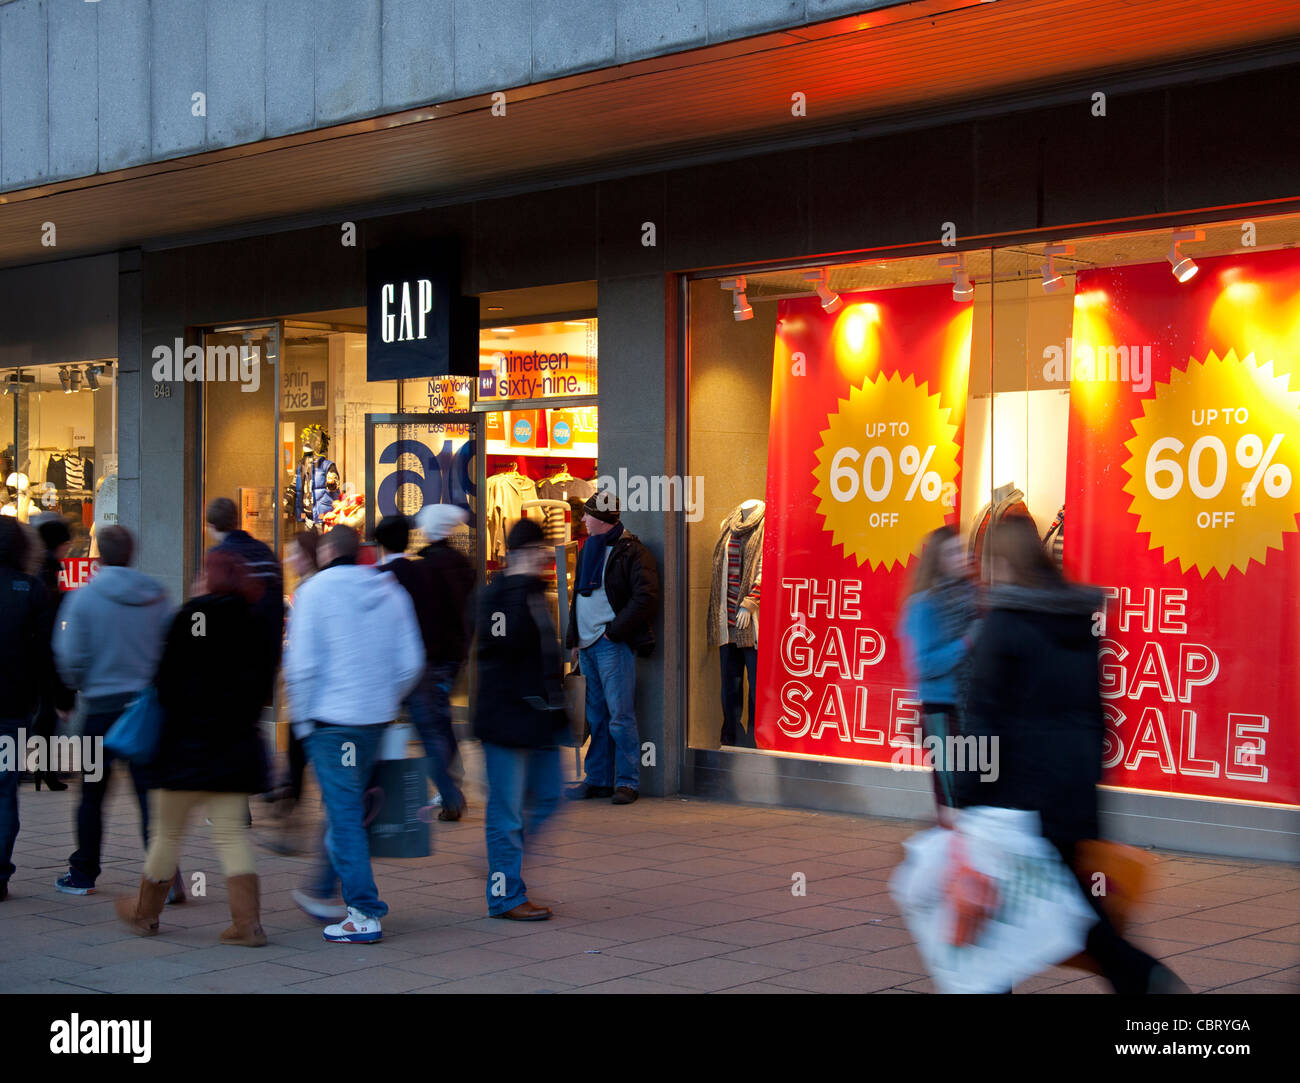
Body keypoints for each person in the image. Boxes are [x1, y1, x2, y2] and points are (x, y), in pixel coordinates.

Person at [959, 515, 1187, 994]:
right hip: (1073, 790)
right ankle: (1143, 977)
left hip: (1015, 797)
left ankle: (1140, 975)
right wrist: (1090, 782)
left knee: (994, 918)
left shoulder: (1003, 623)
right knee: (1074, 907)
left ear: (1000, 563)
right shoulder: (1080, 620)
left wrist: (968, 802)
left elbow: (984, 721)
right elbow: (1098, 709)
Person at [115, 550, 276, 943]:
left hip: (183, 749)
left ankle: (144, 914)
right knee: (231, 836)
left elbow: (164, 684)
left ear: (210, 578)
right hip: (234, 749)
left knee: (167, 834)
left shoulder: (189, 618)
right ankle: (247, 924)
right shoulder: (254, 621)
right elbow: (262, 690)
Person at [283, 525, 423, 943]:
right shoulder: (389, 590)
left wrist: (305, 721)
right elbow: (411, 661)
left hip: (333, 722)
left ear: (326, 552)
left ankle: (363, 911)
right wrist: (385, 697)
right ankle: (328, 891)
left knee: (344, 815)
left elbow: (302, 666)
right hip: (374, 720)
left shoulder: (314, 592)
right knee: (347, 809)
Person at [52, 525, 173, 897]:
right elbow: (173, 648)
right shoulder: (157, 596)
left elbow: (68, 654)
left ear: (99, 554)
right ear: (132, 552)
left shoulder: (84, 598)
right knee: (148, 796)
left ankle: (84, 872)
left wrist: (79, 684)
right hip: (144, 710)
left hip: (100, 709)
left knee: (91, 796)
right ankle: (163, 879)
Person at [475, 518, 568, 920]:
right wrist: (516, 583)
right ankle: (505, 895)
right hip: (505, 721)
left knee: (550, 796)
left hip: (539, 720)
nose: (541, 560)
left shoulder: (535, 595)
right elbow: (498, 648)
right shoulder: (499, 597)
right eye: (533, 554)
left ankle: (503, 865)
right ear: (514, 556)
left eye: (543, 553)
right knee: (507, 812)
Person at [374, 506, 475, 821]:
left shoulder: (392, 574)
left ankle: (377, 798)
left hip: (418, 662)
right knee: (434, 728)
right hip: (435, 658)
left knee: (397, 730)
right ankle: (449, 790)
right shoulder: (429, 569)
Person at [564, 492, 660, 804]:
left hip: (611, 645)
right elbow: (578, 596)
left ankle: (627, 782)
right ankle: (598, 779)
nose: (582, 520)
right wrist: (574, 639)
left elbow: (646, 597)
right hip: (589, 645)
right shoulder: (588, 549)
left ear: (601, 519)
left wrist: (613, 633)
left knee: (619, 716)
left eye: (587, 515)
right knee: (596, 716)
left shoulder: (632, 551)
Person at [899, 524, 977, 825]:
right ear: (938, 560)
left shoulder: (971, 597)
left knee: (968, 792)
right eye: (953, 552)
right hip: (942, 709)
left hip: (969, 707)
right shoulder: (923, 604)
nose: (962, 556)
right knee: (951, 795)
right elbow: (924, 665)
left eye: (963, 549)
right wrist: (967, 643)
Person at [0, 519, 57, 901]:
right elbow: (44, 653)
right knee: (4, 791)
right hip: (12, 704)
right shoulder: (31, 589)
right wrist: (48, 697)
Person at [205, 497, 285, 698]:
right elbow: (277, 608)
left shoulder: (217, 557)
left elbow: (204, 614)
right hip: (264, 661)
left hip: (229, 663)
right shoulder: (265, 553)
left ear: (211, 526)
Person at [30, 514, 75, 791]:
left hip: (36, 650)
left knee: (42, 713)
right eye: (66, 542)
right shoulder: (49, 571)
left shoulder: (39, 568)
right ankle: (43, 770)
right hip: (46, 650)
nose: (69, 546)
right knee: (46, 714)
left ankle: (40, 770)